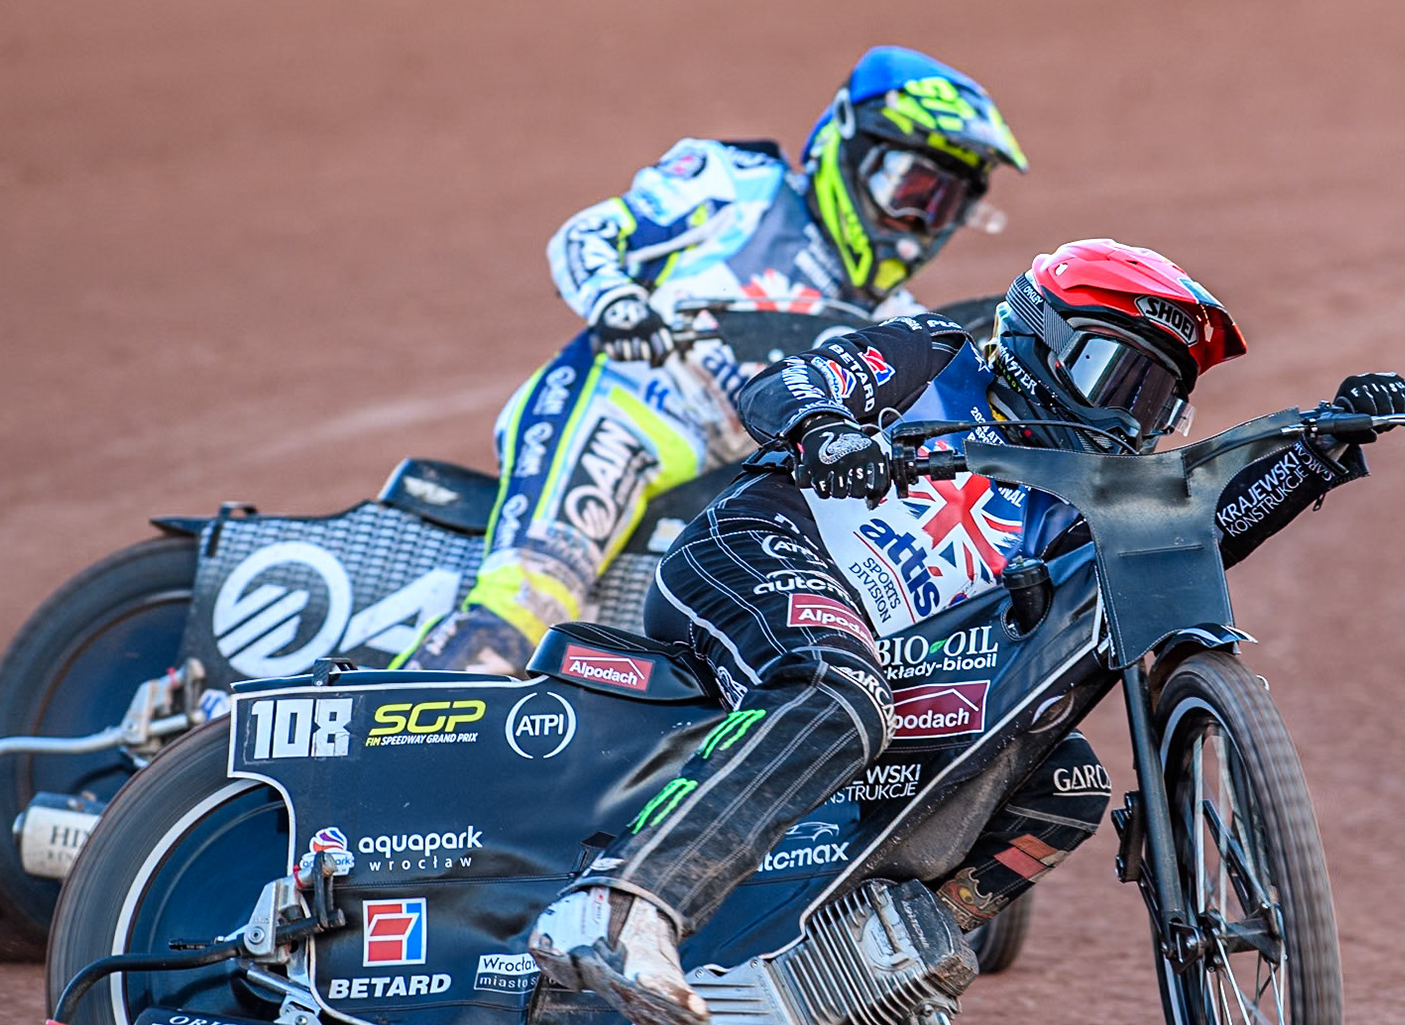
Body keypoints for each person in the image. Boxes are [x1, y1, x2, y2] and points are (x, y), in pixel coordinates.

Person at [529, 238, 1405, 1025]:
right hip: (757, 555)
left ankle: (876, 963)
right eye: (1112, 375)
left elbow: (1198, 531)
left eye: (1154, 397)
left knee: (1065, 783)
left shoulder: (1083, 492)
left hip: (889, 658)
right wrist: (829, 431)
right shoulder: (933, 356)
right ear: (1040, 337)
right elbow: (792, 384)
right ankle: (619, 908)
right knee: (840, 695)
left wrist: (1322, 449)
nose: (1125, 416)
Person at [404, 47, 1027, 674]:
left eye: (943, 205)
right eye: (910, 188)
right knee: (520, 611)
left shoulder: (898, 319)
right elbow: (588, 236)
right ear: (850, 148)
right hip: (625, 412)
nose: (919, 223)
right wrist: (618, 302)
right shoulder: (736, 183)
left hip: (733, 484)